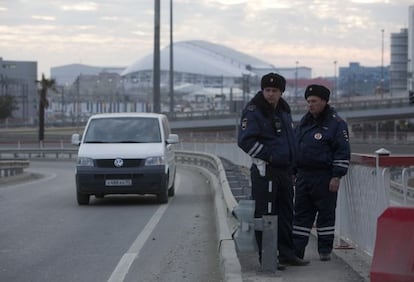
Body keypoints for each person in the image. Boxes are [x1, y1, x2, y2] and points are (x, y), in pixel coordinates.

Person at [238, 72, 309, 268]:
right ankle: (267, 256)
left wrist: (292, 165)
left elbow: (289, 140)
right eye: (267, 90)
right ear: (262, 90)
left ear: (281, 92)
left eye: (274, 91)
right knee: (266, 214)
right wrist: (268, 156)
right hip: (266, 171)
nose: (270, 94)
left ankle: (287, 253)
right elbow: (245, 141)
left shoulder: (283, 110)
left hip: (285, 171)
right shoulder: (254, 110)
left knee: (286, 213)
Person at [292, 84, 351, 262]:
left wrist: (336, 175)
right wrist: (293, 172)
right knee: (301, 215)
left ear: (324, 101)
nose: (310, 105)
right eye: (308, 101)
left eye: (314, 101)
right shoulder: (304, 122)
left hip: (325, 177)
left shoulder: (336, 124)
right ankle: (297, 252)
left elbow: (342, 151)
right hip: (303, 177)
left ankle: (325, 250)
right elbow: (296, 147)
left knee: (325, 215)